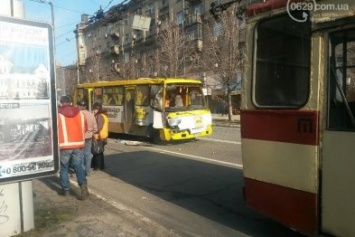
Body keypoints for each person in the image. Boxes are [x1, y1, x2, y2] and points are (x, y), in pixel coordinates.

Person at [57, 95, 89, 200]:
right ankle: (83, 187)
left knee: (64, 167)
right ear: (71, 102)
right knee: (78, 166)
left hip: (64, 146)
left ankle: (65, 190)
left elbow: (53, 130)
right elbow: (85, 128)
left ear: (61, 103)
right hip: (78, 144)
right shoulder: (80, 114)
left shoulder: (58, 115)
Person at [77, 99, 98, 177]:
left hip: (79, 137)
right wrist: (92, 132)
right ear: (85, 106)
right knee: (87, 154)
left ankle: (81, 170)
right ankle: (88, 171)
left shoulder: (77, 114)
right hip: (89, 137)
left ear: (79, 106)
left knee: (80, 154)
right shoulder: (91, 114)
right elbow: (95, 127)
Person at [91, 102, 109, 171]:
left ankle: (97, 166)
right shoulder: (103, 115)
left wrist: (93, 131)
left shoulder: (99, 116)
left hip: (99, 136)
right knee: (100, 152)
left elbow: (99, 126)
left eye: (93, 109)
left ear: (96, 109)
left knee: (97, 152)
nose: (93, 110)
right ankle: (101, 166)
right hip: (103, 136)